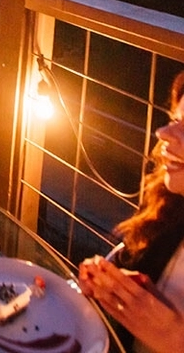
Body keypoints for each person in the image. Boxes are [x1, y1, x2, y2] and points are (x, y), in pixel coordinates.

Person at [78, 71, 184, 353]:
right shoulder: (169, 204)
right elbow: (128, 259)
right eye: (175, 120)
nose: (163, 133)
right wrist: (106, 283)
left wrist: (175, 340)